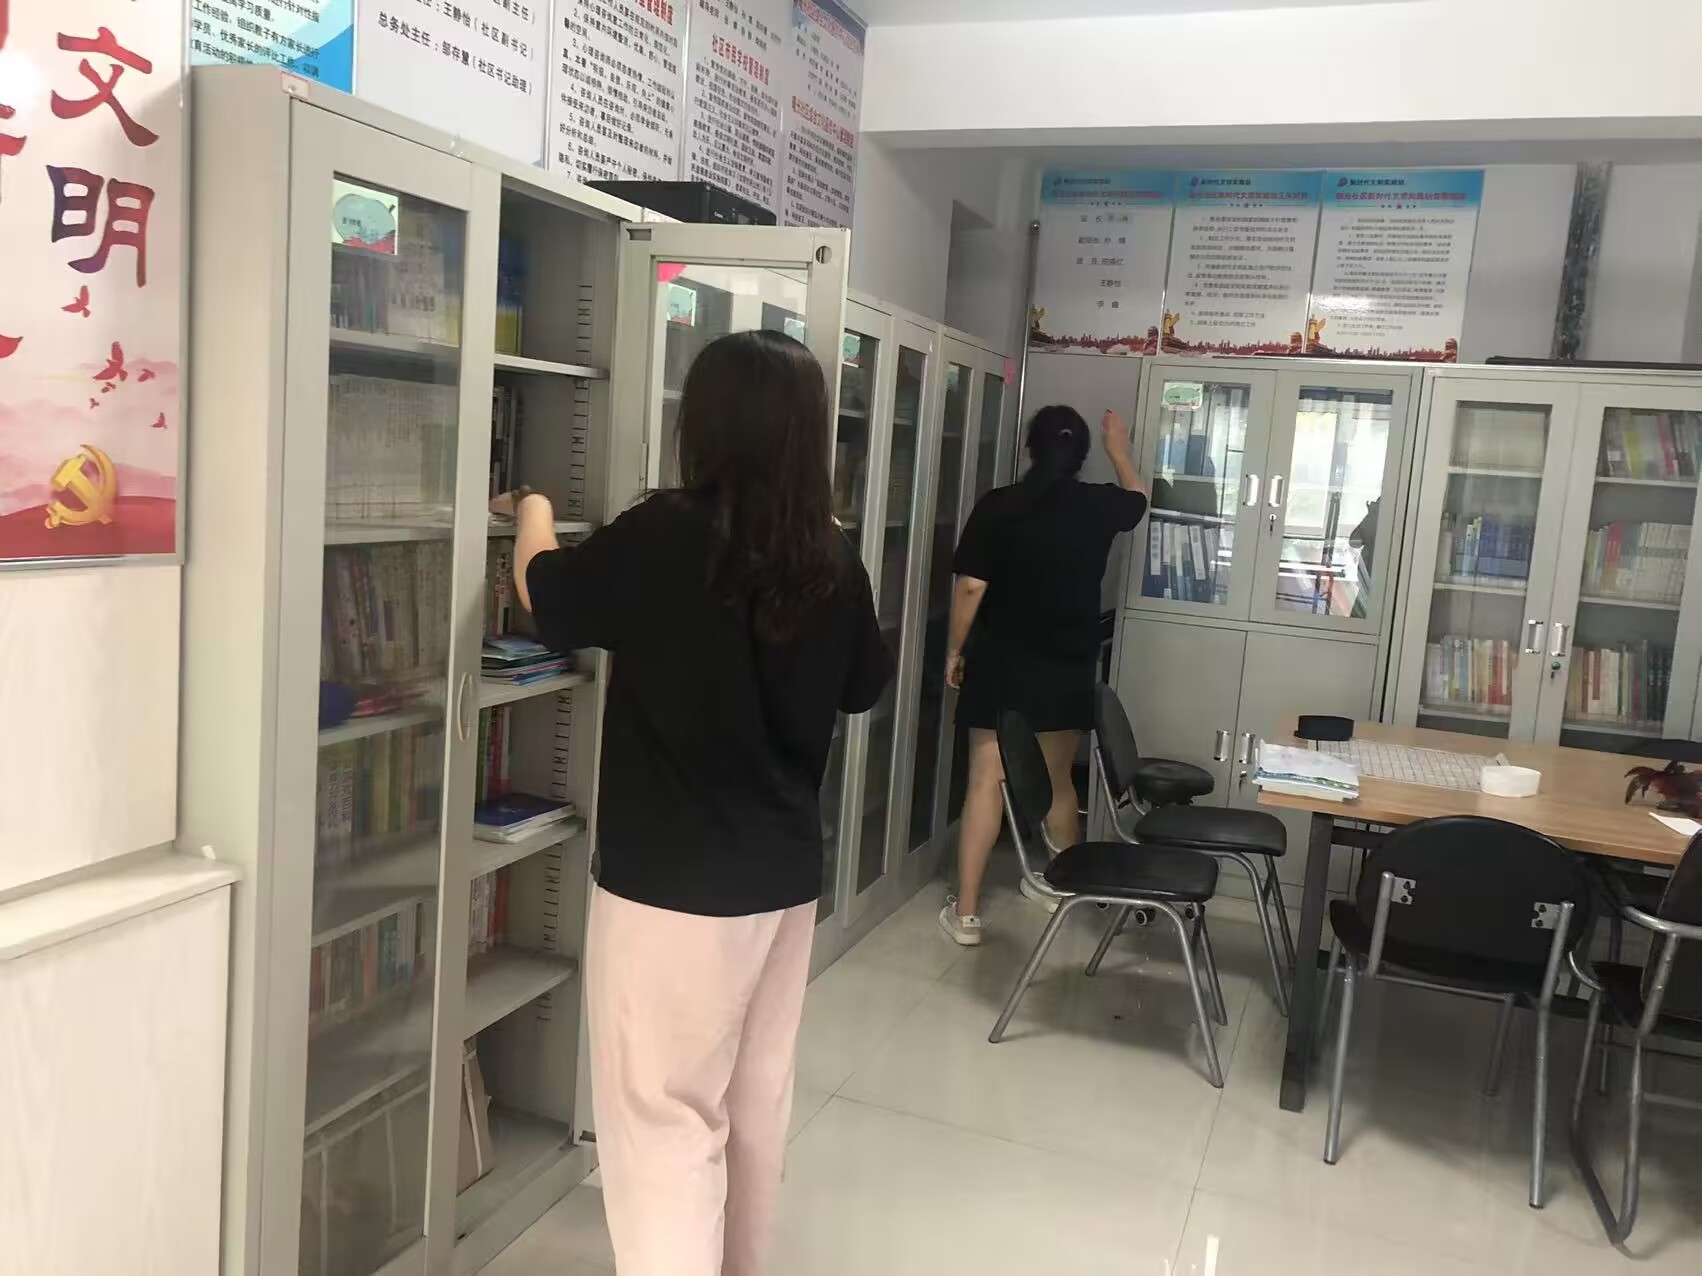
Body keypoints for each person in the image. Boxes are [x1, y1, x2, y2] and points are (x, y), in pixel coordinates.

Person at [493, 330, 892, 1276]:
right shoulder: (829, 553)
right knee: (753, 1104)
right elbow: (863, 685)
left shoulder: (666, 532)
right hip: (780, 882)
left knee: (663, 1118)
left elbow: (550, 597)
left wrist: (535, 509)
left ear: (704, 424)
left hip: (671, 887)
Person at [938, 405, 1148, 945]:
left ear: (1031, 448)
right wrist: (1119, 449)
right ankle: (1057, 887)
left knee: (986, 781)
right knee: (1057, 780)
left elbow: (972, 586)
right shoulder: (1100, 504)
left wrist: (955, 649)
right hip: (1066, 665)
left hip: (1001, 665)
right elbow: (1138, 500)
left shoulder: (999, 505)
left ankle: (966, 914)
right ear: (1081, 455)